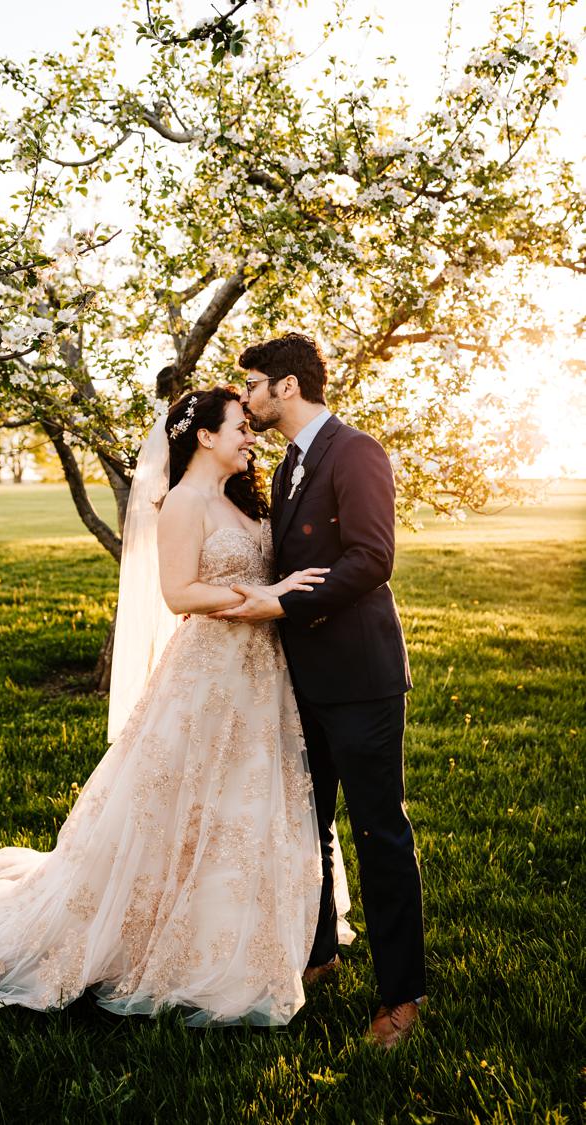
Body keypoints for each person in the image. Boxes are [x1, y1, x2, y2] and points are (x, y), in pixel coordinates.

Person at [0, 387, 352, 1026]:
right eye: (241, 427)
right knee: (183, 800)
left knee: (244, 800)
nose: (252, 436)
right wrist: (266, 592)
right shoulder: (184, 505)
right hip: (210, 673)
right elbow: (178, 594)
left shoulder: (239, 503)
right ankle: (169, 935)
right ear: (206, 437)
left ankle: (242, 929)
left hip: (261, 676)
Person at [222, 332, 424, 1047]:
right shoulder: (287, 468)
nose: (246, 399)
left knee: (379, 833)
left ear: (284, 386)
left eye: (252, 385)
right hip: (302, 681)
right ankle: (320, 952)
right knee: (310, 827)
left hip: (362, 680)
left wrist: (282, 604)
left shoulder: (356, 451)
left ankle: (403, 994)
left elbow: (373, 558)